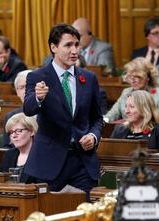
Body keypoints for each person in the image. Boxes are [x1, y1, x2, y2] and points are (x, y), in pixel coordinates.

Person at [23, 23, 103, 197]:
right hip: (50, 163)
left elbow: (97, 118)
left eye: (76, 44)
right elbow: (28, 109)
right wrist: (39, 98)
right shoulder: (37, 77)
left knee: (87, 214)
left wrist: (93, 136)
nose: (74, 50)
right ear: (54, 47)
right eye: (68, 45)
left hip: (82, 162)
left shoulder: (88, 78)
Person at [105, 57, 159, 122]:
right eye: (130, 77)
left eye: (137, 77)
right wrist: (101, 122)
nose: (133, 81)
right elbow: (112, 114)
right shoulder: (126, 92)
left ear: (148, 77)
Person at [0, 113, 37, 183]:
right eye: (11, 132)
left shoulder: (40, 156)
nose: (13, 136)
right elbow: (1, 181)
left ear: (31, 131)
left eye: (18, 131)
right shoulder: (9, 155)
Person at [2, 70, 32, 149]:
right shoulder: (11, 116)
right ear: (17, 92)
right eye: (22, 87)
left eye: (28, 86)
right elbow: (6, 147)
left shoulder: (49, 113)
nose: (25, 91)